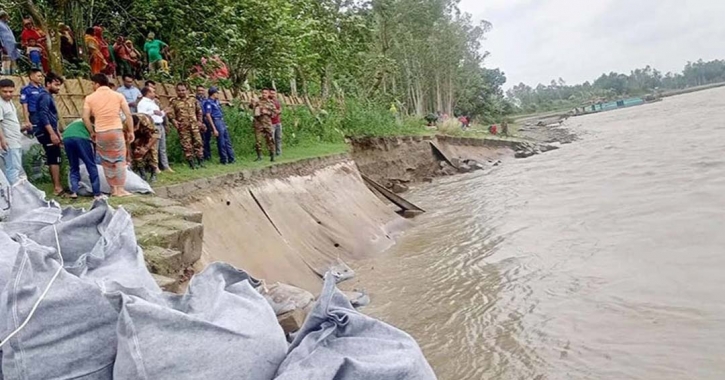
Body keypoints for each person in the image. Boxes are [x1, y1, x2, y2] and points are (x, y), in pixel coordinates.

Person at [83, 73, 134, 197]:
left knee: (106, 162)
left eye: (92, 84)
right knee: (120, 160)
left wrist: (92, 132)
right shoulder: (118, 95)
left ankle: (113, 189)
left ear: (97, 84)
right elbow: (128, 115)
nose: (92, 86)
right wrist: (131, 131)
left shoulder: (89, 98)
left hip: (101, 132)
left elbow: (85, 117)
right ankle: (121, 189)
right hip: (116, 130)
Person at [35, 72, 64, 196]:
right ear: (48, 84)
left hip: (51, 131)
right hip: (45, 132)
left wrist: (57, 132)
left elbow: (53, 117)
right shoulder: (45, 96)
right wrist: (52, 134)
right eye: (56, 85)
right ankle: (57, 188)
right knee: (53, 158)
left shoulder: (49, 96)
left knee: (55, 157)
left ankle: (58, 186)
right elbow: (43, 115)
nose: (58, 88)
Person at [61, 118, 101, 200]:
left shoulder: (76, 121)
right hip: (80, 137)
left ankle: (74, 191)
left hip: (66, 137)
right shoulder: (92, 123)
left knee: (74, 166)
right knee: (91, 165)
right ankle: (97, 193)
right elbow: (95, 139)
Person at [168, 83, 205, 169]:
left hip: (194, 125)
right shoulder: (174, 101)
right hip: (183, 127)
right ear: (176, 91)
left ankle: (201, 161)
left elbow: (199, 111)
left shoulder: (193, 99)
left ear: (186, 90)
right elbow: (170, 114)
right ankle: (192, 163)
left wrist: (200, 121)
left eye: (183, 90)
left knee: (198, 142)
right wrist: (174, 122)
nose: (181, 92)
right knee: (187, 145)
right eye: (179, 90)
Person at [0, 79, 25, 184]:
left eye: (10, 91)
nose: (8, 94)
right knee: (13, 170)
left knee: (16, 168)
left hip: (16, 140)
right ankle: (14, 196)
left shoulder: (9, 102)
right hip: (9, 142)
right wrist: (2, 140)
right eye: (5, 91)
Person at [204, 86, 236, 164]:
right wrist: (214, 128)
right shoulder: (208, 102)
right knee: (221, 141)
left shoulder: (216, 101)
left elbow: (221, 102)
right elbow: (208, 115)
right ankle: (223, 159)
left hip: (221, 121)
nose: (218, 94)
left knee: (227, 140)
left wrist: (227, 103)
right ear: (213, 93)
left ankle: (231, 158)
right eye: (217, 93)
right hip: (216, 121)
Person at [136, 86, 164, 173]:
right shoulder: (142, 103)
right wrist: (153, 112)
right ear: (148, 93)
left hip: (159, 124)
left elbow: (159, 114)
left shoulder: (153, 102)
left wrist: (163, 113)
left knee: (162, 148)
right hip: (151, 127)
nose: (154, 93)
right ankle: (155, 167)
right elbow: (141, 115)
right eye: (153, 91)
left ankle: (164, 165)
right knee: (153, 147)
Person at [130, 114, 159, 183]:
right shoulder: (126, 123)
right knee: (136, 152)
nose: (134, 129)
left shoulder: (146, 121)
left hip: (149, 134)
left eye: (135, 127)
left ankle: (153, 173)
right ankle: (142, 174)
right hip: (135, 136)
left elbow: (156, 134)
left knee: (152, 152)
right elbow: (126, 141)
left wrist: (146, 148)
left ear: (138, 124)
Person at [250, 88, 276, 162]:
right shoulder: (257, 101)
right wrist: (252, 103)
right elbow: (251, 107)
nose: (264, 94)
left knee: (270, 140)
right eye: (263, 92)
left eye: (265, 93)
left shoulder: (271, 103)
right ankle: (259, 156)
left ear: (268, 94)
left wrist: (267, 112)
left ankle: (272, 155)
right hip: (258, 124)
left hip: (267, 124)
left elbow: (274, 114)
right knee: (258, 141)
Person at [20, 68, 43, 134]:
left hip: (44, 113)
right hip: (34, 115)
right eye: (38, 76)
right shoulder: (26, 89)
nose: (40, 78)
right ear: (31, 77)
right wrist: (27, 120)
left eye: (41, 76)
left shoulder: (42, 89)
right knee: (36, 134)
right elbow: (24, 105)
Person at [195, 85, 212, 160]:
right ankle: (200, 155)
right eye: (199, 90)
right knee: (199, 138)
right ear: (196, 91)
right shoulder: (194, 100)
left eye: (202, 90)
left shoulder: (206, 100)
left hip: (206, 119)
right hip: (198, 120)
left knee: (207, 137)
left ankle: (207, 154)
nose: (200, 92)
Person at [0, 11, 20, 75]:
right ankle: (6, 75)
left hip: (12, 46)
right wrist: (2, 46)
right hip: (5, 46)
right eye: (6, 16)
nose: (8, 18)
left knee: (13, 61)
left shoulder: (6, 25)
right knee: (6, 61)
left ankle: (13, 74)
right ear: (3, 17)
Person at [269, 89, 282, 156]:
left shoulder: (277, 101)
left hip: (278, 122)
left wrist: (277, 111)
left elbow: (280, 110)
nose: (272, 95)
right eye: (271, 93)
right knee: (272, 138)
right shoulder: (268, 102)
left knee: (278, 137)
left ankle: (279, 152)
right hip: (271, 122)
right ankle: (272, 152)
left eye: (273, 93)